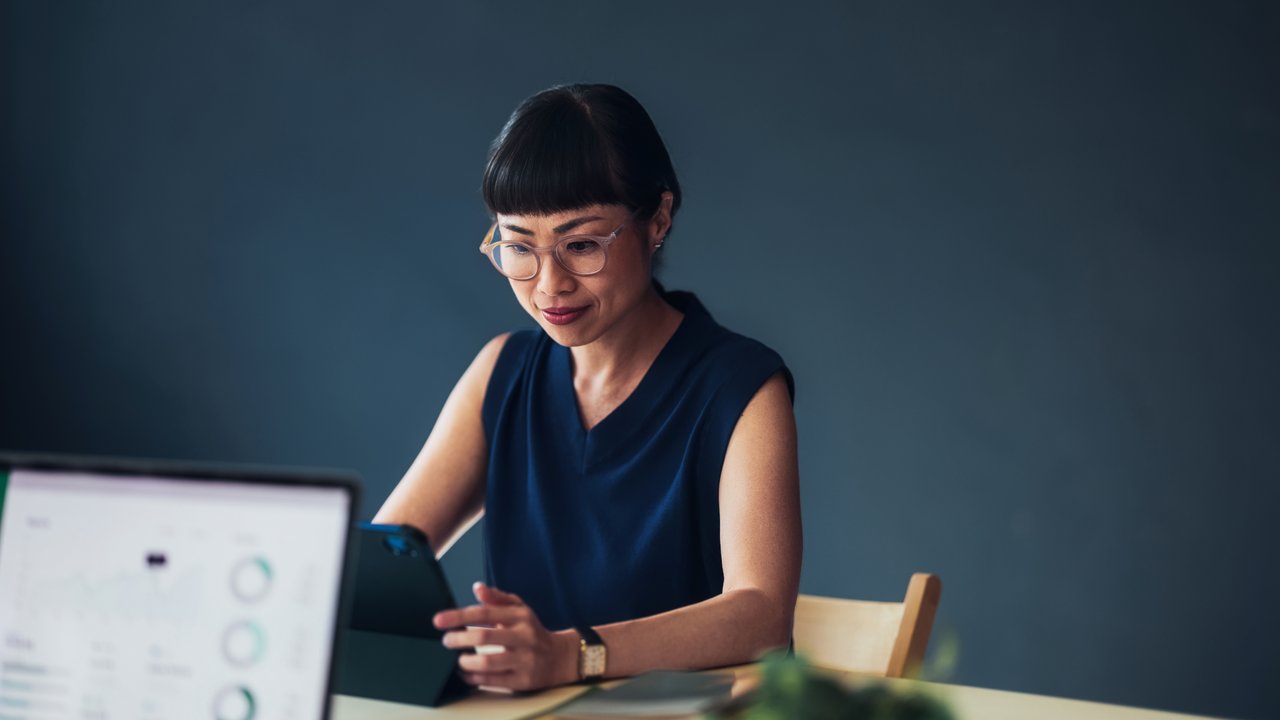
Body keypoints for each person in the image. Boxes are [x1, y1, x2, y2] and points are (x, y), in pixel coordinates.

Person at [373, 83, 801, 692]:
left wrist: (570, 655)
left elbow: (761, 615)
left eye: (581, 245)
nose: (549, 285)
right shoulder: (504, 371)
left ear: (658, 218)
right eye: (519, 246)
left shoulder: (739, 386)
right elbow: (381, 562)